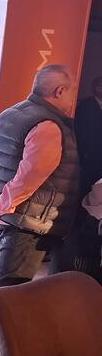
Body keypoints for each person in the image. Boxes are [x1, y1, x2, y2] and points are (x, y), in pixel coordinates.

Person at [0, 64, 80, 356]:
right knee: (13, 289)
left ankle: (5, 349)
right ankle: (2, 355)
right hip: (26, 222)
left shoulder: (11, 113)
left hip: (8, 217)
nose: (72, 98)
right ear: (59, 91)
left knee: (10, 285)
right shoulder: (48, 126)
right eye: (71, 91)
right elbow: (28, 179)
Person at [54, 75, 102, 280]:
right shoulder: (85, 108)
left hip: (97, 173)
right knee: (78, 219)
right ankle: (66, 268)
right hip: (84, 170)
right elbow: (83, 139)